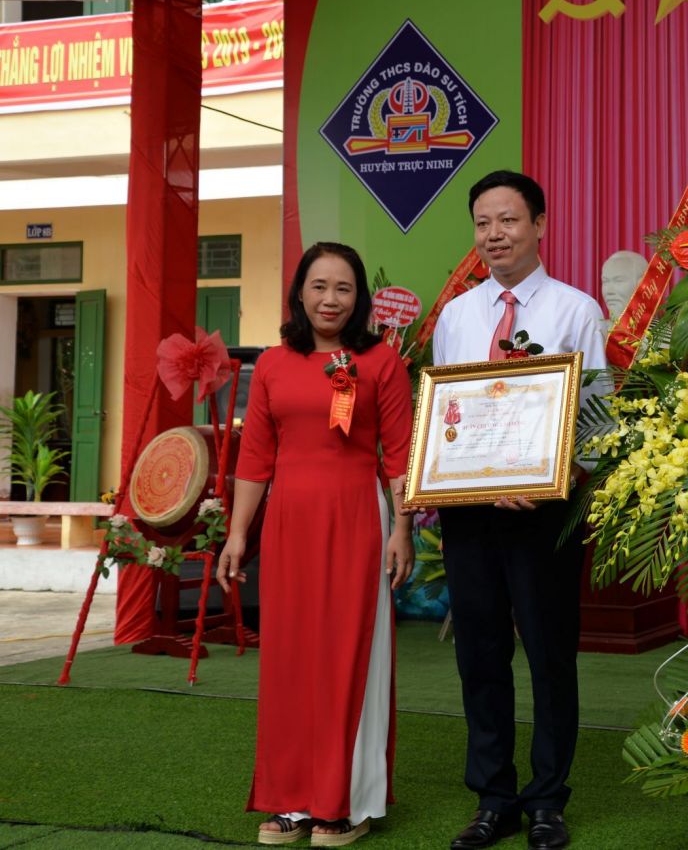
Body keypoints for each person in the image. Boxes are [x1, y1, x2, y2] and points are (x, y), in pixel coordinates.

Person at [217, 242, 415, 847]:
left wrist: (402, 528)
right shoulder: (273, 364)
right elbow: (256, 457)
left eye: (344, 288)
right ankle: (292, 801)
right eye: (320, 286)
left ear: (359, 298)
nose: (331, 299)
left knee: (349, 654)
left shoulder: (382, 361)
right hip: (289, 524)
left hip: (358, 519)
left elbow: (400, 455)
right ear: (300, 292)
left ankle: (346, 801)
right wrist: (237, 534)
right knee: (290, 659)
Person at [431, 170, 607, 850]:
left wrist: (547, 478)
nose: (494, 235)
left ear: (539, 225)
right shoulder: (456, 316)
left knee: (549, 655)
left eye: (507, 220)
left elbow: (597, 421)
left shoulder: (575, 311)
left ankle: (547, 801)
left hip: (543, 513)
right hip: (469, 515)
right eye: (483, 223)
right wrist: (461, 478)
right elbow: (447, 416)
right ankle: (493, 798)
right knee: (479, 655)